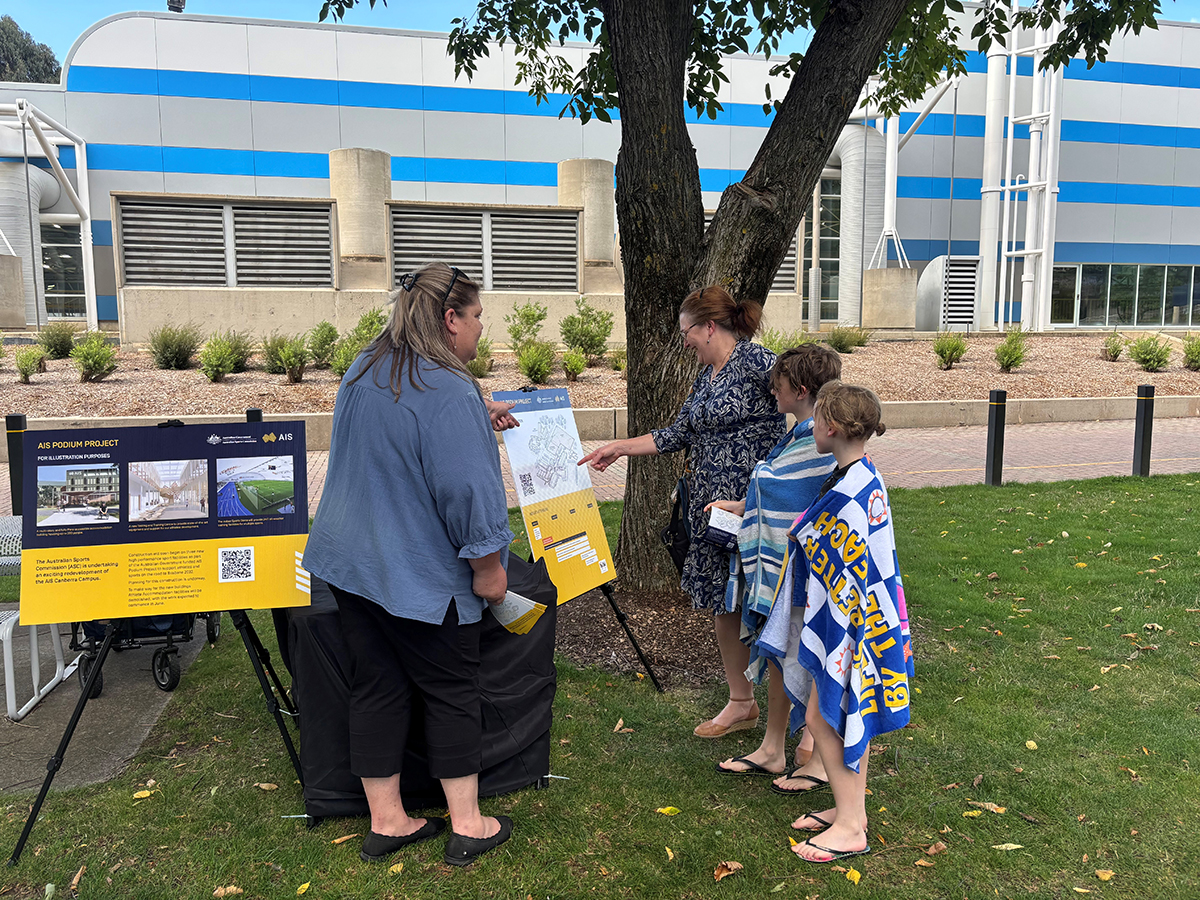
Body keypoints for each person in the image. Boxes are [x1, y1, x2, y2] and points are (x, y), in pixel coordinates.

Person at [303, 262, 518, 868]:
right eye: (477, 317)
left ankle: (388, 821)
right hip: (417, 575)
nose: (482, 328)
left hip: (350, 566)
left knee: (376, 685)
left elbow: (405, 434)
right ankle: (469, 825)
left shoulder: (365, 367)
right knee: (452, 692)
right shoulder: (448, 392)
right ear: (450, 319)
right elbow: (468, 495)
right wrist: (489, 568)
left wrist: (475, 414)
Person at [579, 286, 785, 736]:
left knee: (769, 606)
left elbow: (809, 405)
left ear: (708, 326)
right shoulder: (706, 375)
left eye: (686, 331)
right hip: (711, 514)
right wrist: (620, 448)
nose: (684, 340)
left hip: (755, 510)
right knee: (721, 602)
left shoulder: (758, 363)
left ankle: (800, 722)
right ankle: (740, 702)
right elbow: (677, 433)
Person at [755, 382, 913, 864]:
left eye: (818, 419)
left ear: (830, 427)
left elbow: (840, 564)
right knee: (844, 715)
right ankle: (852, 812)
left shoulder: (847, 494)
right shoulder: (864, 476)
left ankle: (849, 828)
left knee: (828, 718)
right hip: (868, 620)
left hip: (849, 627)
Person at [706, 344, 841, 783]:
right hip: (789, 571)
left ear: (799, 390)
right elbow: (773, 485)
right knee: (781, 650)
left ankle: (816, 756)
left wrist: (758, 488)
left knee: (806, 656)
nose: (771, 390)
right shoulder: (800, 431)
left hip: (804, 571)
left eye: (778, 385)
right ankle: (773, 747)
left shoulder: (819, 438)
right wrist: (743, 504)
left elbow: (788, 488)